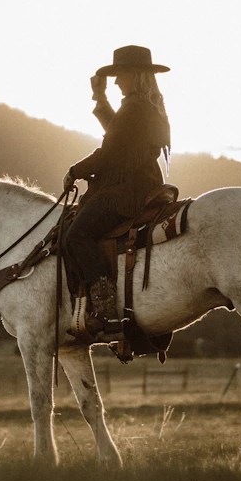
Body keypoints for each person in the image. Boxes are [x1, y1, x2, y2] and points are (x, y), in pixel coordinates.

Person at [62, 45, 172, 339]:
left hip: (129, 188)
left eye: (119, 75)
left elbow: (110, 152)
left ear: (134, 75)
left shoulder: (135, 107)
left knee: (77, 234)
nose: (116, 81)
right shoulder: (145, 105)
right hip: (144, 181)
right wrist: (100, 98)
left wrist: (75, 171)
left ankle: (105, 304)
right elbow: (119, 135)